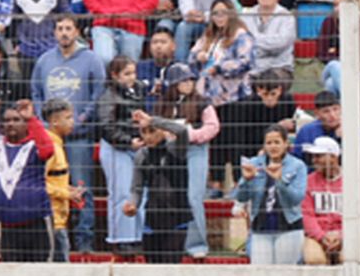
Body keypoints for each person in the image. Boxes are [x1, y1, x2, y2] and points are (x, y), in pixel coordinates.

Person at [30, 16, 105, 254]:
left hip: (80, 135)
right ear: (54, 32)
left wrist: (82, 117)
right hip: (50, 137)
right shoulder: (44, 60)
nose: (64, 33)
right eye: (60, 28)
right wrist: (44, 122)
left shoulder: (91, 59)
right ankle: (55, 237)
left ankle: (84, 241)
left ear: (77, 31)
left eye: (68, 29)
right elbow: (36, 91)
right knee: (51, 183)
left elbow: (98, 90)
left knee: (81, 186)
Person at [141, 62, 219, 257]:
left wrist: (191, 135)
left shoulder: (203, 102)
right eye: (182, 81)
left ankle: (197, 245)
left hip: (195, 150)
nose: (187, 84)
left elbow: (213, 127)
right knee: (172, 196)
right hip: (170, 152)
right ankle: (173, 240)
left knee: (194, 196)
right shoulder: (162, 104)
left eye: (190, 80)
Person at [0, 104, 55, 262]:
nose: (11, 124)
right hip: (6, 225)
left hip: (36, 223)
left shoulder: (35, 144)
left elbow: (48, 151)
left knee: (40, 272)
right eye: (6, 120)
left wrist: (32, 119)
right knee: (10, 273)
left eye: (16, 119)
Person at [96, 55, 147, 256]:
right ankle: (121, 238)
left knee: (138, 192)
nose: (131, 77)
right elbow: (106, 126)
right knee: (121, 193)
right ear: (115, 75)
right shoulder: (108, 96)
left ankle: (138, 236)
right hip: (116, 147)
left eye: (133, 73)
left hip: (136, 145)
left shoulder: (138, 91)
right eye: (126, 74)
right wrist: (127, 141)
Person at [234, 126, 306, 264]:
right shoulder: (254, 163)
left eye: (277, 142)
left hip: (289, 227)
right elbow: (242, 197)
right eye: (269, 143)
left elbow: (296, 199)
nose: (273, 146)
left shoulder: (297, 166)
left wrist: (280, 181)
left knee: (285, 274)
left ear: (286, 144)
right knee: (261, 273)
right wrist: (246, 181)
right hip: (260, 228)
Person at [189, 0, 256, 107]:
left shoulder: (242, 36)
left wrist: (219, 68)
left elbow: (246, 62)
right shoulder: (208, 35)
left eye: (223, 13)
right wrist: (198, 56)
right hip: (207, 96)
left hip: (233, 96)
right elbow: (191, 56)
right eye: (215, 13)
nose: (219, 17)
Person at [39, 99, 80, 261]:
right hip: (52, 219)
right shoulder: (50, 147)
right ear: (54, 121)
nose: (72, 122)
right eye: (68, 118)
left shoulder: (58, 144)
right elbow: (39, 183)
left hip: (60, 218)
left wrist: (68, 189)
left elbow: (54, 178)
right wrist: (66, 194)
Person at [300, 136, 349, 265]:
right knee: (314, 259)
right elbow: (307, 215)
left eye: (319, 156)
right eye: (314, 157)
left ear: (334, 157)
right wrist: (322, 237)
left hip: (346, 233)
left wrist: (341, 235)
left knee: (349, 257)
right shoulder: (308, 182)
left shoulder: (352, 181)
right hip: (317, 234)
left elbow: (358, 214)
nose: (314, 160)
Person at [315, 0, 360, 97]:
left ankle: (342, 113)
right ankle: (351, 101)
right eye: (334, 5)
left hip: (357, 70)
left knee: (330, 84)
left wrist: (334, 51)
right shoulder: (329, 22)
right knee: (334, 65)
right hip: (331, 68)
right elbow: (321, 53)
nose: (336, 9)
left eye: (340, 5)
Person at [244, 0, 296, 74]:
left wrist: (254, 40)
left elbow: (280, 44)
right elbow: (243, 43)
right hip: (252, 68)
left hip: (279, 68)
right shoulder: (246, 16)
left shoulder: (287, 17)